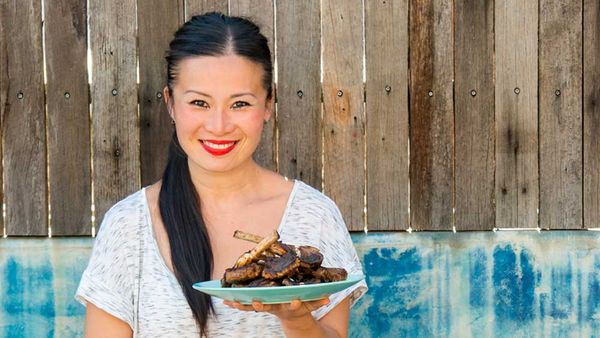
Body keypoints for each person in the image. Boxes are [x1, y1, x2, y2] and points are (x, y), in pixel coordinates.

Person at [75, 12, 367, 338]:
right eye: (199, 102)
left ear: (268, 104)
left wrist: (296, 319)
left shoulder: (315, 215)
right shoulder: (128, 224)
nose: (218, 126)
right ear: (171, 104)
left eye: (240, 104)